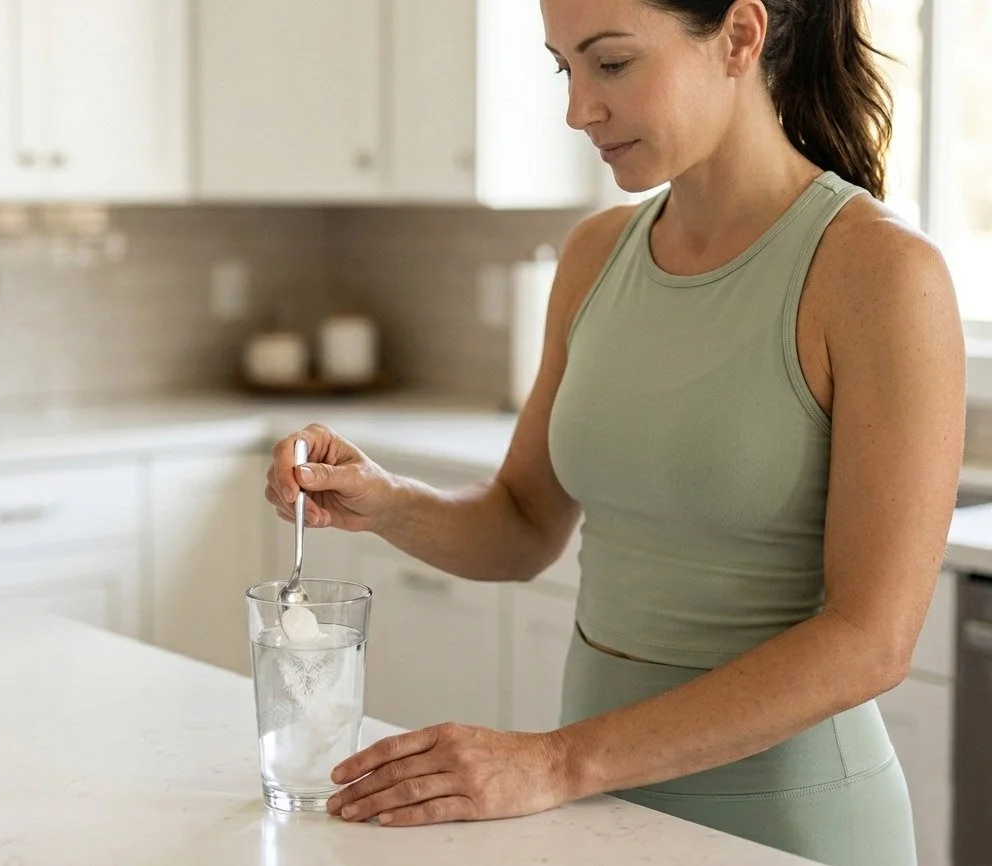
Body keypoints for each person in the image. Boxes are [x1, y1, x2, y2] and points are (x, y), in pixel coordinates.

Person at [264, 1, 965, 862]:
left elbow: (871, 644)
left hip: (787, 825)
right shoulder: (597, 255)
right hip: (597, 809)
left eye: (613, 64)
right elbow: (521, 525)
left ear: (740, 36)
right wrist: (384, 502)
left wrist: (557, 762)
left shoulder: (881, 272)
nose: (578, 109)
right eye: (565, 68)